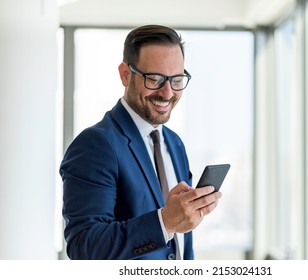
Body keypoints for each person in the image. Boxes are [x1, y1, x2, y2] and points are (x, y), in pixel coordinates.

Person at [59, 25, 222, 260]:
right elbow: (85, 246)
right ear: (125, 74)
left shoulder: (175, 144)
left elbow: (180, 245)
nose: (167, 93)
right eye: (154, 79)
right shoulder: (95, 145)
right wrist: (165, 222)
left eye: (176, 79)